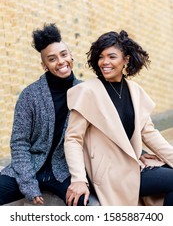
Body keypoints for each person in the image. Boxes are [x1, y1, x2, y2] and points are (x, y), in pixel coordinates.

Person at [64, 29, 173, 206]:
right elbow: (73, 139)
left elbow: (150, 134)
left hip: (135, 167)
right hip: (109, 174)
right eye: (101, 57)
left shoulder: (135, 91)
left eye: (112, 57)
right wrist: (78, 179)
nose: (104, 62)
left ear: (126, 59)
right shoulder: (87, 92)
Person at [0, 23, 89, 205]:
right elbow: (19, 142)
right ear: (44, 65)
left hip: (64, 171)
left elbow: (110, 128)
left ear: (71, 56)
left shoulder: (85, 91)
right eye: (52, 59)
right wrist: (28, 185)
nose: (61, 62)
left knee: (81, 203)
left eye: (64, 55)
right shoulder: (30, 95)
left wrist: (139, 153)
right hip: (30, 167)